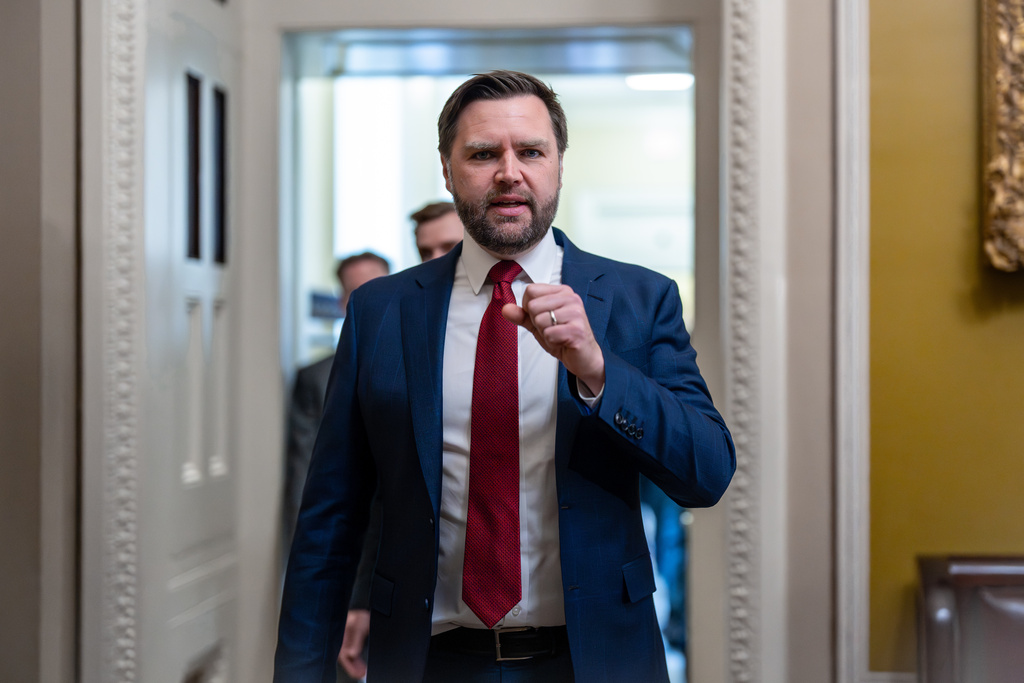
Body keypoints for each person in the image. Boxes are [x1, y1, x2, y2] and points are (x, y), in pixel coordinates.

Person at [275, 70, 735, 683]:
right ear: (447, 169)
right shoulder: (381, 311)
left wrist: (598, 370)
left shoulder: (637, 299)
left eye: (531, 151)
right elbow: (330, 519)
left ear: (559, 166)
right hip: (426, 662)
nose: (509, 172)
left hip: (593, 661)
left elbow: (706, 474)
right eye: (483, 153)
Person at [336, 207, 466, 680]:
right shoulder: (389, 337)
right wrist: (357, 599)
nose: (436, 259)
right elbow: (361, 492)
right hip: (416, 606)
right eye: (425, 250)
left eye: (447, 247)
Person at [282, 251, 389, 683]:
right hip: (354, 568)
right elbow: (315, 491)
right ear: (344, 302)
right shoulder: (315, 378)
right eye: (354, 292)